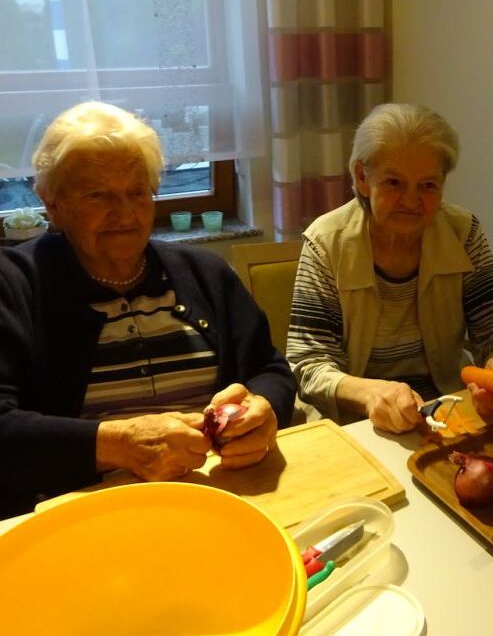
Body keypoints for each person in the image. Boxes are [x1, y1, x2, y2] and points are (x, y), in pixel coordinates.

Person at [0, 101, 296, 519]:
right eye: (98, 194)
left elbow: (269, 368)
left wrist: (264, 409)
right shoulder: (13, 286)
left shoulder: (206, 272)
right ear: (52, 202)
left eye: (138, 192)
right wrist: (121, 445)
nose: (124, 213)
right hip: (84, 513)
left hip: (223, 499)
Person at [286, 103, 493, 433]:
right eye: (394, 182)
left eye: (428, 185)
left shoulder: (463, 232)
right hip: (356, 421)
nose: (411, 200)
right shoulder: (325, 243)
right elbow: (309, 364)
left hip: (446, 409)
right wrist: (371, 394)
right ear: (362, 177)